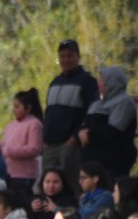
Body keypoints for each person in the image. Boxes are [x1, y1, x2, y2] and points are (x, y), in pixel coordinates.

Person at [41, 40, 97, 177]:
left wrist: (74, 138)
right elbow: (49, 112)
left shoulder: (87, 81)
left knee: (73, 184)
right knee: (49, 185)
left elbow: (91, 112)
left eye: (70, 55)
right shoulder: (55, 82)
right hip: (50, 146)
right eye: (63, 56)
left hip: (70, 145)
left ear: (78, 56)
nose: (66, 60)